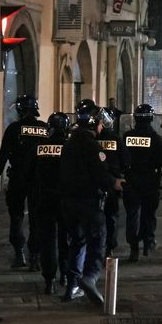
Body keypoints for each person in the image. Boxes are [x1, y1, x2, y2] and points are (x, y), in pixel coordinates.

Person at [60, 102, 125, 306]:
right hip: (89, 200)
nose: (101, 126)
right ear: (94, 123)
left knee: (77, 243)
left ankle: (72, 286)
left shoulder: (70, 142)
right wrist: (113, 183)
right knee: (98, 240)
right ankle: (90, 276)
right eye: (99, 122)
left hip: (68, 201)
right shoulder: (90, 143)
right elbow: (98, 171)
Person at [0, 95, 48, 270]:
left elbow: (3, 155)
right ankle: (35, 258)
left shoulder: (14, 129)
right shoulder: (45, 128)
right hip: (39, 179)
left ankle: (19, 254)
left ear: (20, 110)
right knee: (36, 219)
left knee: (16, 217)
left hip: (18, 178)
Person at [31, 112, 71, 295]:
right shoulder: (70, 147)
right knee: (66, 239)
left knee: (48, 240)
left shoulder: (40, 146)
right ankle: (65, 275)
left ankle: (49, 280)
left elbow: (28, 170)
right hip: (66, 199)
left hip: (45, 198)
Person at [123, 104, 162, 261]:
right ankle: (148, 242)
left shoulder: (128, 137)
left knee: (132, 215)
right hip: (150, 182)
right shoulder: (155, 138)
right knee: (149, 214)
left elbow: (123, 157)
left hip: (131, 181)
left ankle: (133, 247)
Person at [97, 109, 129, 258]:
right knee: (111, 216)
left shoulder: (92, 140)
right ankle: (109, 247)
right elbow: (126, 161)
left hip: (95, 183)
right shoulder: (116, 139)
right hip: (113, 183)